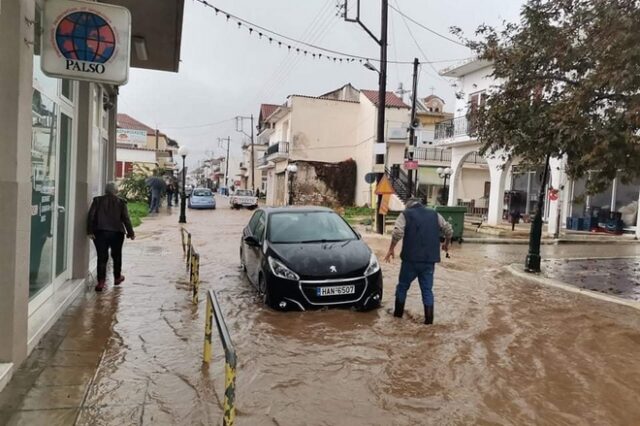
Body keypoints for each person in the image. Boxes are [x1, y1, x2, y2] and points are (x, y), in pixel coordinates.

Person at [384, 198, 453, 325]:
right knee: (427, 291)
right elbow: (448, 230)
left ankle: (397, 317)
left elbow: (397, 233)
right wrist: (446, 244)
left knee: (402, 287)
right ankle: (429, 323)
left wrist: (391, 249)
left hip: (410, 260)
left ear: (408, 206)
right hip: (429, 261)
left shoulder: (405, 214)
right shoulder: (434, 214)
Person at [88, 182, 135, 292]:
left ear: (105, 190)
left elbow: (91, 216)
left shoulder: (97, 201)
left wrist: (90, 231)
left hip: (100, 232)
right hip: (117, 233)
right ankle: (117, 278)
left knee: (102, 257)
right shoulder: (121, 202)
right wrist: (130, 233)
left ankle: (101, 282)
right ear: (116, 191)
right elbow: (126, 219)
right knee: (117, 255)